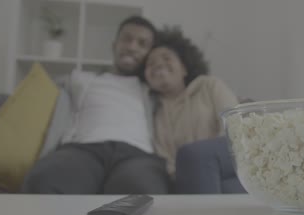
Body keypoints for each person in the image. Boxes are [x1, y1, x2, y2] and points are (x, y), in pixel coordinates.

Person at [23, 16, 169, 194]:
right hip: (83, 149)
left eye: (142, 44)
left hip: (137, 156)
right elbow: (35, 93)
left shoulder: (151, 90)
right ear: (114, 45)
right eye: (127, 39)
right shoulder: (80, 79)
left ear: (150, 54)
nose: (132, 47)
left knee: (144, 193)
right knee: (44, 180)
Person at [142, 27, 239, 179]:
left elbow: (234, 126)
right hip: (185, 177)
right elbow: (164, 159)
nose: (158, 64)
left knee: (192, 157)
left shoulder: (209, 85)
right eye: (151, 63)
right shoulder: (152, 111)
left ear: (184, 68)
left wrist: (203, 159)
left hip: (230, 162)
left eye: (166, 58)